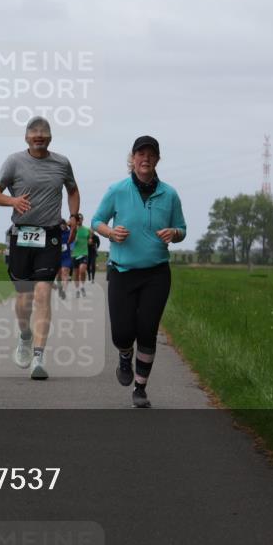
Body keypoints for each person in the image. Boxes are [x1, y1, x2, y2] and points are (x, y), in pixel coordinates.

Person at [92, 136, 185, 408]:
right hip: (122, 271)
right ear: (132, 158)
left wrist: (174, 233)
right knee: (122, 333)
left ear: (157, 160)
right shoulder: (117, 190)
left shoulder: (169, 194)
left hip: (156, 273)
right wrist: (110, 232)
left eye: (151, 155)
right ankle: (124, 355)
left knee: (147, 330)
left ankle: (140, 388)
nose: (145, 159)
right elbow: (97, 220)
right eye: (140, 154)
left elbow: (182, 228)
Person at [0, 116, 80, 380]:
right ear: (26, 137)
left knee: (43, 293)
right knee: (24, 298)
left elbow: (73, 190)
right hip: (22, 236)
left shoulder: (62, 163)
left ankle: (39, 357)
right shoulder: (14, 161)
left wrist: (74, 216)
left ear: (50, 137)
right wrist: (13, 201)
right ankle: (25, 335)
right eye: (34, 132)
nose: (39, 136)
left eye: (44, 132)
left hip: (50, 236)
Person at [71, 213, 91, 297]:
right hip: (74, 254)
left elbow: (90, 239)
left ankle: (82, 286)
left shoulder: (87, 230)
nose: (79, 220)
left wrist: (90, 240)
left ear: (82, 220)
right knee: (75, 273)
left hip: (84, 253)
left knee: (82, 270)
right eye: (78, 219)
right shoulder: (72, 230)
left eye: (81, 219)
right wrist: (72, 240)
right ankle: (77, 289)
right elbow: (68, 241)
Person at [55, 219, 72, 299]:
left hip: (66, 257)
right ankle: (60, 288)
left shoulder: (69, 233)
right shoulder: (55, 233)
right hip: (57, 257)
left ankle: (64, 291)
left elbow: (74, 231)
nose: (62, 226)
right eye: (60, 225)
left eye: (63, 224)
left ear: (65, 225)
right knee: (58, 276)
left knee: (65, 273)